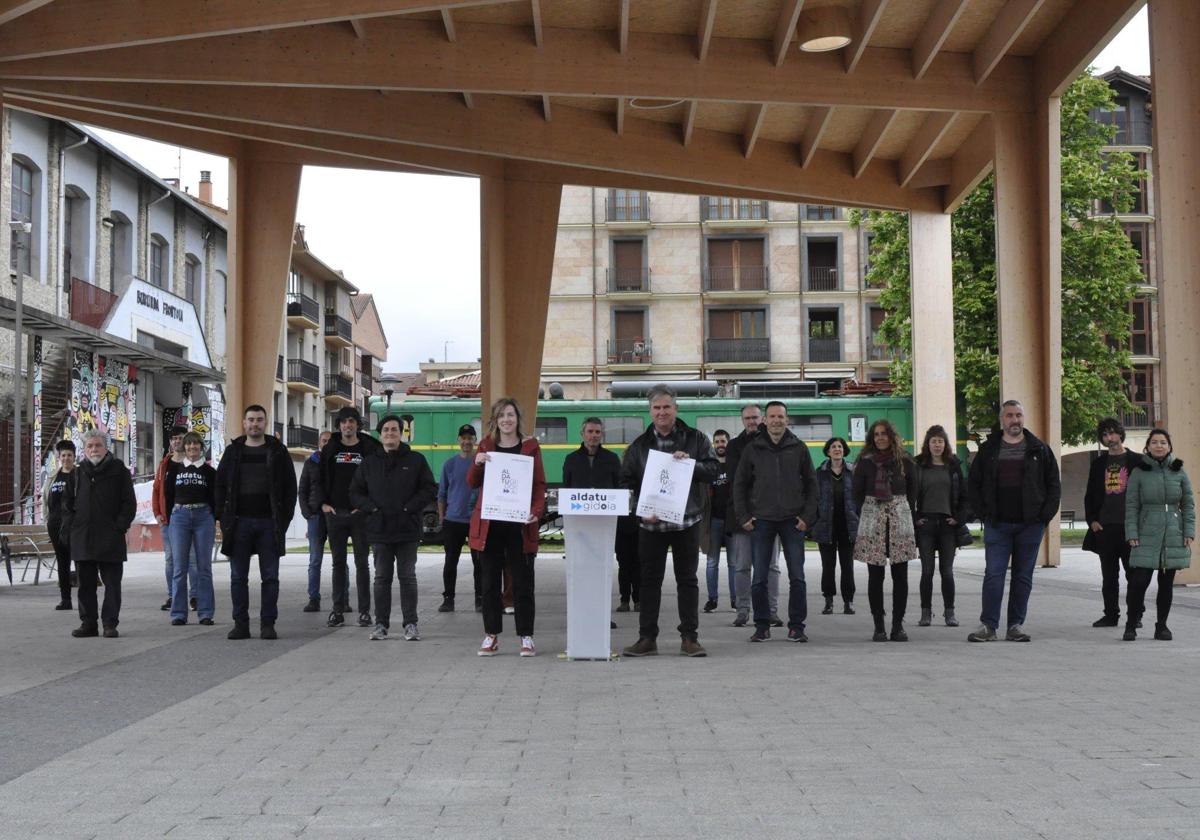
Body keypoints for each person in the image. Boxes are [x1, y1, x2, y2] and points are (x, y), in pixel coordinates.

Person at [619, 384, 719, 658]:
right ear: (650, 412)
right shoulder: (639, 446)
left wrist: (691, 464)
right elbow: (626, 483)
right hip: (651, 524)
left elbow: (713, 470)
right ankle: (647, 638)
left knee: (687, 580)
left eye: (666, 407)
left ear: (676, 409)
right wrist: (639, 509)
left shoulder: (696, 439)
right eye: (656, 408)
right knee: (649, 581)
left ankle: (689, 638)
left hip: (686, 521)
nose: (662, 412)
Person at [966, 399, 1061, 643]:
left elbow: (1053, 485)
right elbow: (974, 484)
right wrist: (983, 513)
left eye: (1018, 415)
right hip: (997, 525)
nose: (1014, 420)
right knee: (994, 575)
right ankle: (988, 626)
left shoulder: (1039, 449)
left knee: (1023, 577)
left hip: (1030, 525)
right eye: (1009, 415)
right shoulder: (989, 450)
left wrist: (1043, 517)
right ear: (1002, 420)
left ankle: (1015, 626)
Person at [732, 401, 817, 643]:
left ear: (786, 420)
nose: (777, 420)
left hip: (793, 521)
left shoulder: (799, 448)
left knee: (797, 576)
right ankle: (761, 625)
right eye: (772, 416)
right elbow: (740, 485)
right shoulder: (753, 449)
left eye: (781, 416)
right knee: (759, 577)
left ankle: (797, 626)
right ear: (764, 421)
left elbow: (812, 485)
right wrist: (744, 517)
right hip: (762, 521)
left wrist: (807, 517)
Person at [468, 398, 547, 657]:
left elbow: (538, 484)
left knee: (522, 583)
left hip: (519, 525)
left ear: (517, 418)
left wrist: (536, 512)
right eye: (501, 415)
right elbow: (472, 482)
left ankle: (526, 636)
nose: (506, 420)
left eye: (510, 415)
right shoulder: (486, 445)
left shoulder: (530, 446)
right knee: (489, 583)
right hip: (490, 525)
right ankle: (491, 635)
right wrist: (477, 462)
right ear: (495, 420)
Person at [350, 414, 438, 641]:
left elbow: (429, 489)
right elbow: (355, 492)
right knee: (381, 579)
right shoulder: (369, 463)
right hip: (379, 529)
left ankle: (411, 624)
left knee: (407, 577)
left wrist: (410, 508)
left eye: (394, 430)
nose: (390, 433)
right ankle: (381, 624)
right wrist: (371, 509)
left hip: (407, 529)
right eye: (386, 430)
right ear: (380, 435)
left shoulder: (416, 460)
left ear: (402, 433)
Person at [215, 404, 298, 640]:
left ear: (266, 422)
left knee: (270, 577)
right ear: (244, 423)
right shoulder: (233, 452)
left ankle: (268, 624)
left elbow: (290, 488)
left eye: (259, 420)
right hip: (239, 524)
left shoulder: (278, 451)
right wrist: (222, 515)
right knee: (238, 577)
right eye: (251, 419)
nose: (255, 424)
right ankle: (240, 624)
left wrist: (283, 519)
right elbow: (220, 485)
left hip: (268, 524)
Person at [311, 406, 382, 629]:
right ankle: (337, 610)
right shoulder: (331, 447)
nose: (347, 425)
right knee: (338, 564)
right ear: (339, 425)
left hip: (360, 514)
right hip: (335, 514)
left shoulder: (369, 448)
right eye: (343, 422)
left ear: (357, 425)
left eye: (351, 421)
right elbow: (319, 478)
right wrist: (322, 504)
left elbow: (378, 479)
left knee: (362, 564)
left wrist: (366, 507)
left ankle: (364, 612)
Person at [62, 429, 136, 638]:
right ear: (84, 450)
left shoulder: (119, 470)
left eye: (98, 445)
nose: (94, 449)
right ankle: (89, 624)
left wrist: (119, 526)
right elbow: (66, 504)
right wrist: (71, 528)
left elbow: (129, 503)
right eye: (90, 446)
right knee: (85, 585)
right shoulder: (77, 473)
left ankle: (109, 624)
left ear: (106, 447)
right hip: (83, 536)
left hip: (110, 537)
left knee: (112, 584)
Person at [1123, 428, 1194, 641]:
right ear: (1148, 446)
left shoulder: (1179, 472)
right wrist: (1131, 532)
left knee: (1166, 583)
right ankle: (1131, 623)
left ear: (1169, 446)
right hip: (1146, 530)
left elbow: (1188, 504)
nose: (1159, 445)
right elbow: (1132, 505)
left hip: (1173, 530)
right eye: (1155, 442)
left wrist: (1189, 531)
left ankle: (1161, 626)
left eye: (1163, 442)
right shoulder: (1139, 472)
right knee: (1138, 582)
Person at [852, 419, 918, 642]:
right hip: (873, 517)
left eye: (884, 434)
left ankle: (897, 626)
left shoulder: (905, 461)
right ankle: (879, 626)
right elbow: (856, 493)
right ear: (872, 438)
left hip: (900, 518)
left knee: (901, 575)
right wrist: (871, 509)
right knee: (875, 576)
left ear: (891, 436)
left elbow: (913, 492)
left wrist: (906, 514)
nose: (880, 437)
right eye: (876, 434)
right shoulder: (864, 462)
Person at [725, 403, 781, 628]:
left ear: (764, 419)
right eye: (747, 418)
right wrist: (745, 515)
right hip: (743, 517)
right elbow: (737, 480)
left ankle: (772, 611)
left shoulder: (775, 443)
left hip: (772, 515)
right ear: (742, 421)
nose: (752, 422)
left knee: (772, 567)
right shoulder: (734, 446)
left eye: (756, 418)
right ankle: (742, 610)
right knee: (742, 566)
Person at [1082, 418, 1142, 627]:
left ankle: (1135, 615)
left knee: (1134, 575)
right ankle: (1111, 615)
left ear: (1120, 434)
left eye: (1113, 433)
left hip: (1131, 528)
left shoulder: (1138, 461)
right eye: (1105, 435)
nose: (1110, 438)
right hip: (1105, 528)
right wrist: (1092, 521)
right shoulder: (1099, 463)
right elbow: (1090, 495)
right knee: (1109, 577)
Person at [913, 425, 968, 628]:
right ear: (928, 444)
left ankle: (949, 613)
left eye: (940, 441)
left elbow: (964, 496)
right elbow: (910, 494)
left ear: (945, 444)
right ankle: (925, 613)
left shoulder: (953, 466)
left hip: (947, 525)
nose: (937, 445)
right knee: (927, 571)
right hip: (925, 524)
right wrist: (915, 518)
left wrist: (958, 518)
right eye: (933, 441)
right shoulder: (919, 465)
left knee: (947, 571)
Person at [164, 431, 217, 626]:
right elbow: (168, 495)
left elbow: (215, 497)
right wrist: (170, 516)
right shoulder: (175, 469)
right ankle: (178, 613)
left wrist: (214, 517)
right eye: (188, 445)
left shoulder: (210, 472)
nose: (192, 448)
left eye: (195, 445)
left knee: (204, 567)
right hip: (179, 517)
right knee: (179, 567)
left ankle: (205, 613)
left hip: (204, 517)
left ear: (201, 447)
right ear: (184, 448)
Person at [810, 436, 858, 616]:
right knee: (827, 566)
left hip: (848, 526)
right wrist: (814, 522)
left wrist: (858, 516)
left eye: (839, 446)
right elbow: (814, 499)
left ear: (844, 450)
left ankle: (848, 602)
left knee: (848, 566)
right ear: (828, 451)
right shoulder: (820, 473)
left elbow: (859, 497)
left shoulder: (853, 471)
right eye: (833, 447)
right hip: (825, 525)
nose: (837, 449)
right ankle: (828, 601)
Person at [152, 425, 198, 612]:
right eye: (173, 439)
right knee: (171, 560)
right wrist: (157, 513)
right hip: (168, 521)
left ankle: (195, 597)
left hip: (190, 518)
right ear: (170, 442)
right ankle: (173, 596)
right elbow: (156, 490)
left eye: (180, 438)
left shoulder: (193, 462)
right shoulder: (165, 464)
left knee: (192, 559)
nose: (176, 441)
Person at [437, 424, 480, 613]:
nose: (467, 442)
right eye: (463, 438)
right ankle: (448, 599)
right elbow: (442, 494)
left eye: (470, 438)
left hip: (475, 520)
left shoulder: (481, 464)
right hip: (453, 521)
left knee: (479, 562)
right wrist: (442, 518)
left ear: (475, 441)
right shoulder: (449, 464)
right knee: (450, 561)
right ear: (458, 441)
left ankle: (480, 599)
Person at [298, 429, 333, 613]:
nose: (326, 443)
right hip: (315, 517)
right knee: (315, 560)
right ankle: (313, 598)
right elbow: (302, 489)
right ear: (319, 443)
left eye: (329, 441)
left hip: (334, 515)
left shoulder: (338, 461)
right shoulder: (311, 462)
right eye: (324, 440)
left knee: (339, 559)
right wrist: (307, 513)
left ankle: (341, 599)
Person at [42, 439, 77, 612]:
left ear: (74, 457)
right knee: (63, 562)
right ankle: (66, 599)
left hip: (75, 526)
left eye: (69, 455)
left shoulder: (79, 475)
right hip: (55, 525)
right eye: (63, 455)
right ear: (59, 457)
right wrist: (46, 519)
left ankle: (85, 599)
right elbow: (46, 501)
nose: (66, 458)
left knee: (80, 561)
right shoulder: (52, 477)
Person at [703, 429, 734, 613]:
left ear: (728, 443)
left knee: (734, 564)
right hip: (713, 520)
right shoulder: (710, 466)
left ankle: (735, 600)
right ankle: (712, 600)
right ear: (714, 444)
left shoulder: (734, 465)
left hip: (732, 521)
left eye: (723, 441)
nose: (721, 444)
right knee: (711, 562)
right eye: (717, 442)